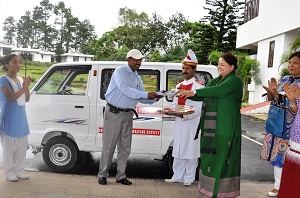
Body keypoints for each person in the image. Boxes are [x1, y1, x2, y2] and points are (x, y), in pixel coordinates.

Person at [176, 53, 243, 197]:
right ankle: (208, 189)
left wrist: (192, 91)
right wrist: (188, 93)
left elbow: (218, 92)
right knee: (209, 160)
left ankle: (224, 192)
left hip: (226, 129)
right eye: (218, 64)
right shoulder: (215, 81)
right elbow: (205, 92)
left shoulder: (235, 81)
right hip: (212, 130)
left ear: (232, 67)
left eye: (223, 65)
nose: (219, 67)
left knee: (224, 161)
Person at [97, 49, 162, 186]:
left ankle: (121, 175)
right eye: (136, 60)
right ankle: (102, 174)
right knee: (109, 146)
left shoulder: (137, 77)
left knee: (125, 147)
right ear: (129, 59)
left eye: (140, 60)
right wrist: (146, 95)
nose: (138, 62)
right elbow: (125, 90)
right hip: (114, 113)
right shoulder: (120, 72)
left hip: (128, 114)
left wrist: (155, 98)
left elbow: (140, 96)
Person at [261, 51, 300, 197]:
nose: (290, 65)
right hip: (279, 123)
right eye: (289, 62)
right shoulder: (284, 79)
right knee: (278, 153)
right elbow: (272, 100)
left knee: (291, 157)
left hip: (295, 126)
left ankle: (288, 186)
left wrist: (280, 96)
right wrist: (272, 92)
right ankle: (278, 185)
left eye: (295, 63)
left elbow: (294, 105)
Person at [164, 49, 204, 186]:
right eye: (183, 68)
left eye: (187, 68)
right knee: (179, 149)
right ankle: (177, 175)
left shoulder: (198, 87)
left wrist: (185, 115)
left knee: (191, 151)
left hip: (192, 124)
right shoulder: (178, 86)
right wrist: (171, 111)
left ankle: (189, 178)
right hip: (179, 123)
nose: (184, 71)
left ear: (194, 70)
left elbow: (198, 109)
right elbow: (175, 104)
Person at [0, 54, 31, 182]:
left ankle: (19, 170)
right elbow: (11, 98)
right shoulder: (3, 79)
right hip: (10, 117)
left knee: (22, 145)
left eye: (19, 62)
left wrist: (26, 87)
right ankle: (9, 172)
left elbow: (27, 99)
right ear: (7, 65)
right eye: (14, 62)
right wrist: (23, 88)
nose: (18, 65)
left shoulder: (19, 80)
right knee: (9, 147)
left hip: (21, 117)